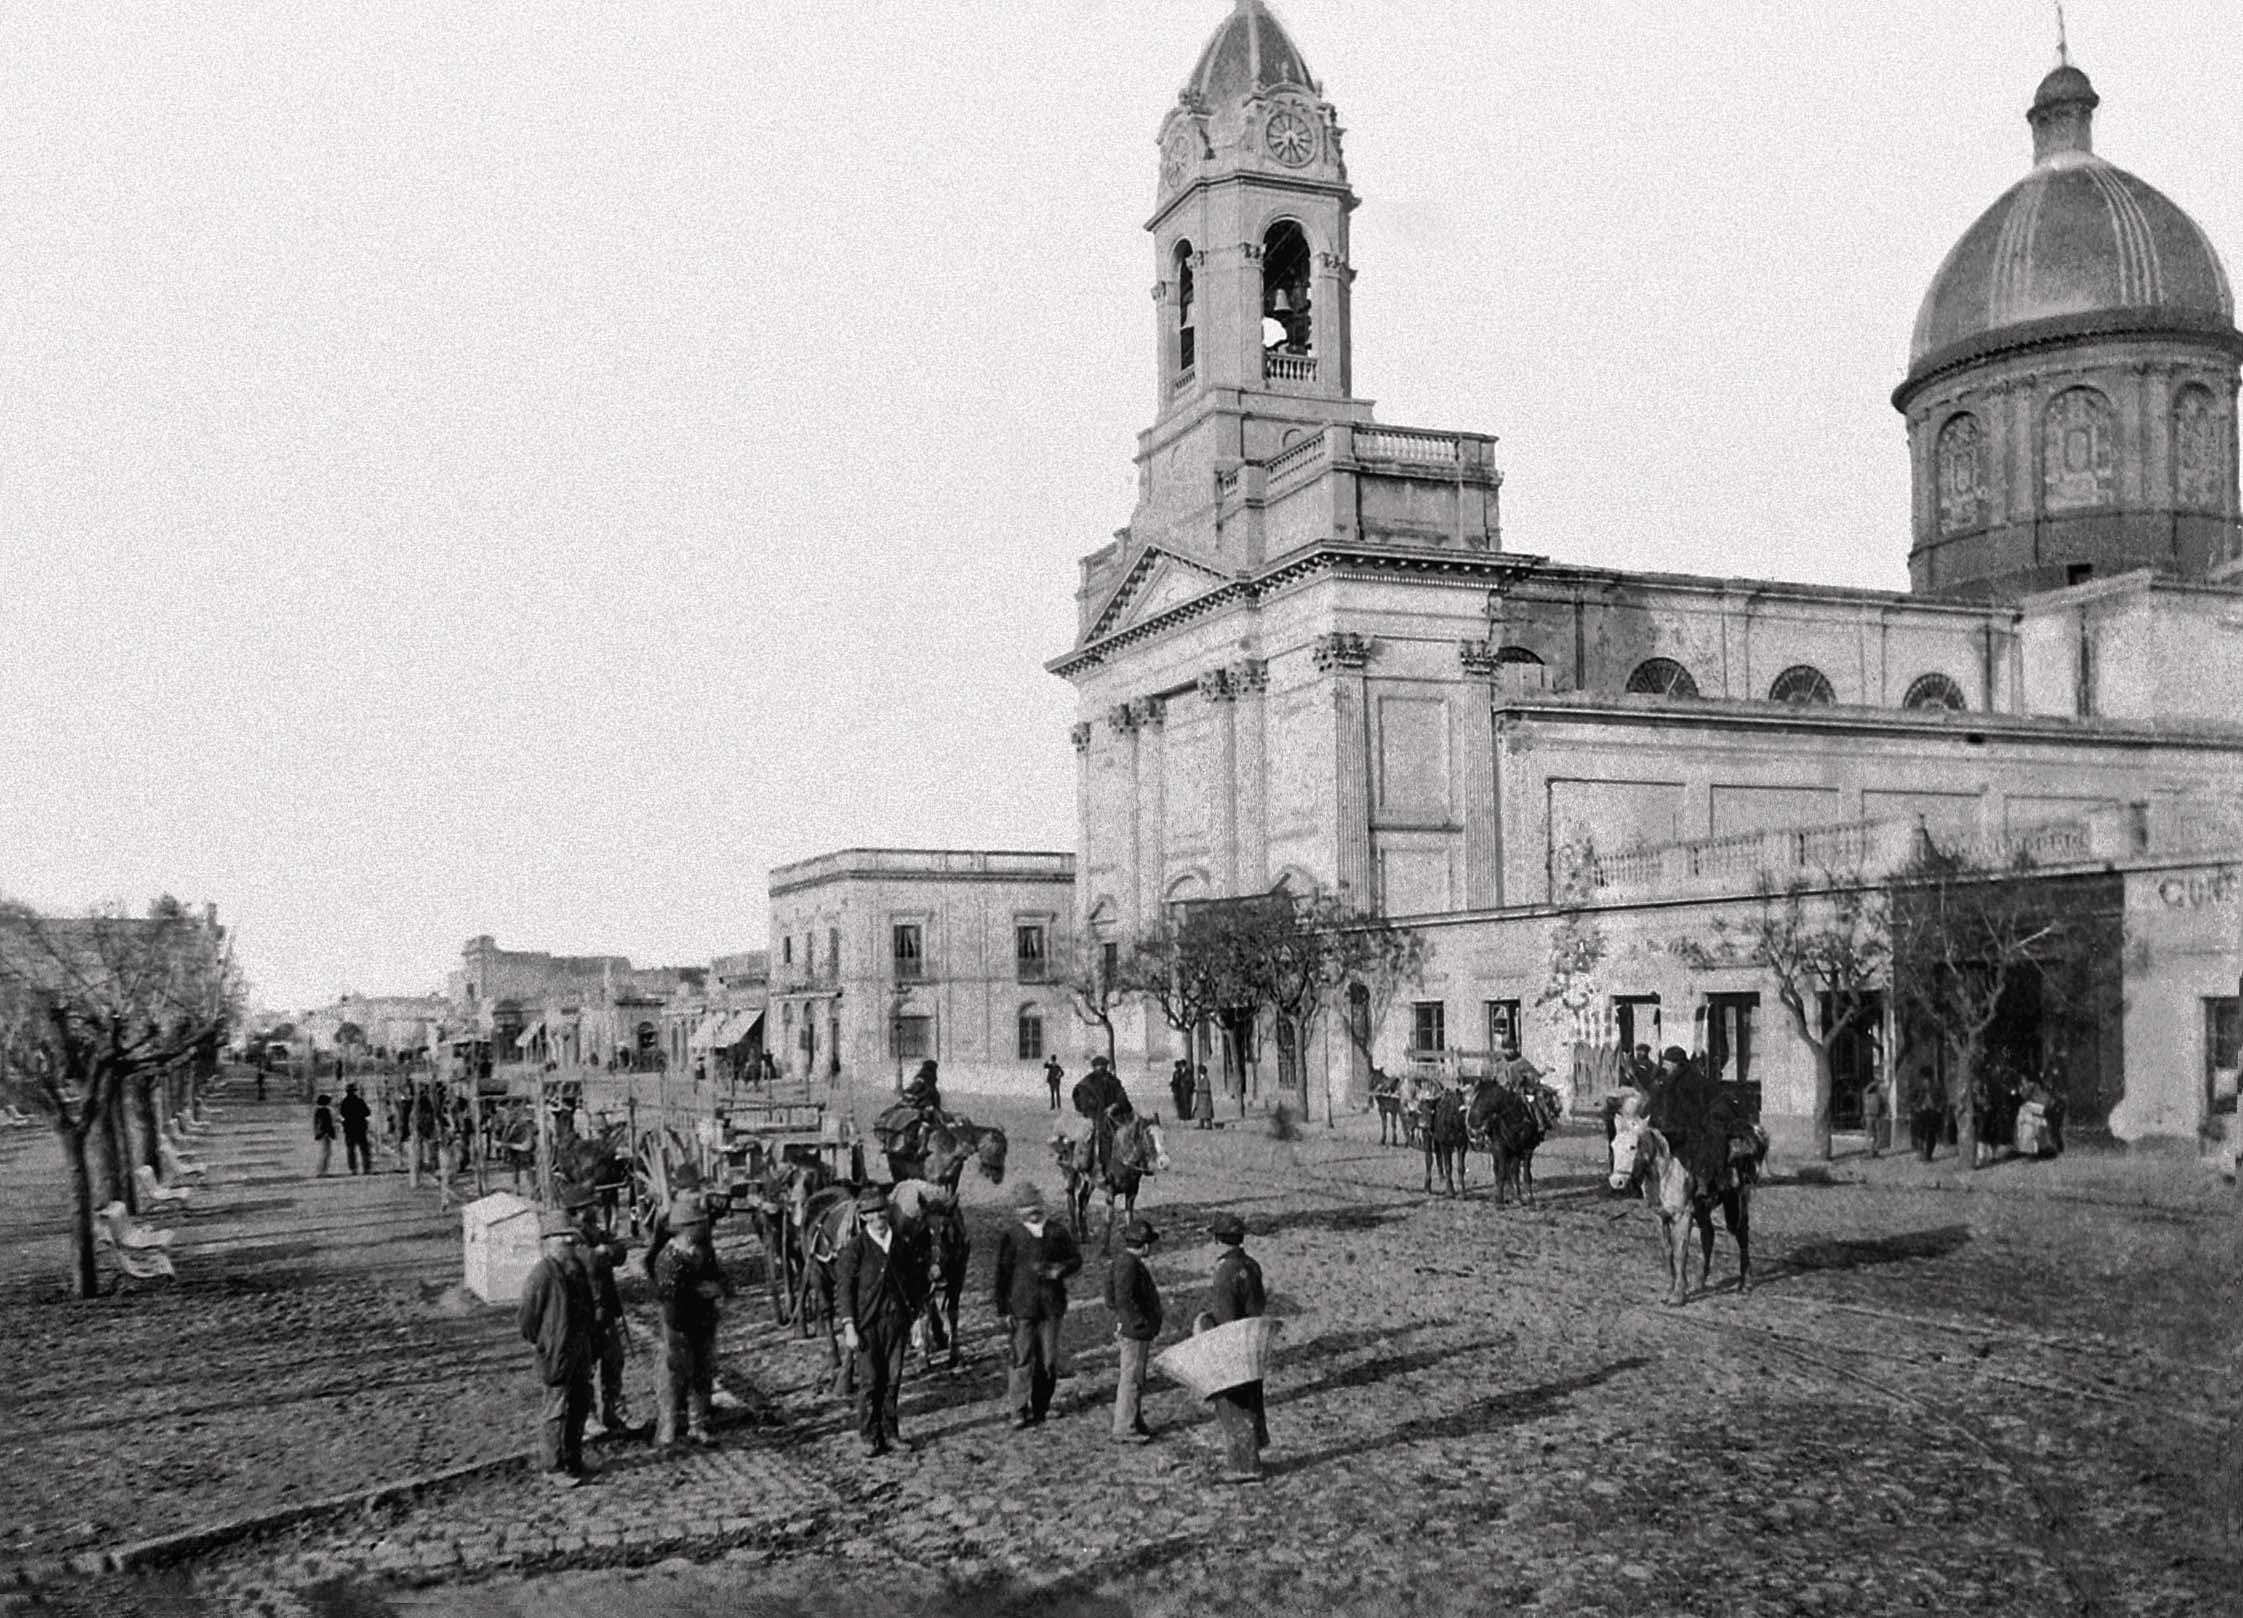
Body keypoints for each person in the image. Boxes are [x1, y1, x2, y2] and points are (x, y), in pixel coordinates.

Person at [835, 1186, 927, 1458]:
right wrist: (849, 1326)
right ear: (863, 1218)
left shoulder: (900, 1245)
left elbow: (915, 1281)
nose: (878, 1218)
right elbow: (844, 1291)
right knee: (870, 1381)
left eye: (882, 1212)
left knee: (893, 1379)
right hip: (866, 1326)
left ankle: (891, 1433)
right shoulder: (855, 1249)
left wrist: (914, 1315)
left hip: (896, 1322)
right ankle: (869, 1435)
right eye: (872, 1214)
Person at [516, 1209, 597, 1487]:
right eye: (564, 1241)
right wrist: (546, 1343)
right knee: (555, 1411)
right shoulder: (542, 1275)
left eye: (572, 1241)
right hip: (556, 1354)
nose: (570, 1246)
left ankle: (573, 1458)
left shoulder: (577, 1271)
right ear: (549, 1242)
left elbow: (588, 1308)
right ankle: (552, 1466)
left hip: (580, 1349)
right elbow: (527, 1321)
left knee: (579, 1406)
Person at [992, 1183, 1080, 1429]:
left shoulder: (1057, 1232)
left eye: (1035, 1207)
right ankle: (1018, 1409)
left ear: (1042, 1208)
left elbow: (1075, 1259)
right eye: (1026, 1208)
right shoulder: (1012, 1236)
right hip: (1022, 1308)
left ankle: (1042, 1405)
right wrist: (1003, 1309)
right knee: (1021, 1357)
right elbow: (1002, 1275)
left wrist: (1061, 1269)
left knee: (1049, 1359)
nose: (1032, 1212)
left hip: (1051, 1306)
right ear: (1019, 1211)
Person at [651, 1191, 727, 1448]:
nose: (704, 1228)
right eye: (698, 1224)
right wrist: (698, 1291)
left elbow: (721, 1278)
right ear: (684, 1229)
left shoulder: (704, 1252)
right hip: (678, 1326)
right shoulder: (667, 1259)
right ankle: (668, 1427)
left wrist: (719, 1288)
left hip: (704, 1323)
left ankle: (698, 1424)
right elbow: (670, 1298)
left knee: (702, 1374)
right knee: (673, 1376)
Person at [1204, 1211, 1268, 1482]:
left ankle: (1244, 1466)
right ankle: (1253, 1456)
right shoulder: (1251, 1265)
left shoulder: (1224, 1271)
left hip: (1233, 1341)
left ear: (1219, 1240)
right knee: (1251, 1398)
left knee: (1233, 1404)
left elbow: (1225, 1315)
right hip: (1253, 1338)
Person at [569, 1190, 636, 1440]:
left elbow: (620, 1251)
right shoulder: (571, 1235)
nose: (595, 1208)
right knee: (585, 1367)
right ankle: (587, 1418)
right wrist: (600, 1253)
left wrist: (604, 1250)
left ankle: (612, 1412)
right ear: (576, 1210)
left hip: (605, 1308)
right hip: (583, 1313)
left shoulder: (595, 1231)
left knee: (613, 1361)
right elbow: (589, 1263)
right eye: (589, 1205)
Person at [1107, 1216, 1164, 1444]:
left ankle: (1134, 1421)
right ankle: (1125, 1428)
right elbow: (1123, 1298)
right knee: (1132, 1379)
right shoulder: (1130, 1265)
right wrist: (1139, 1322)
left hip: (1131, 1329)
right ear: (1146, 1245)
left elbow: (1110, 1297)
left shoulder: (1121, 1261)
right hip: (1135, 1332)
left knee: (1134, 1377)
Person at [338, 1081, 372, 1176]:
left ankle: (353, 1168)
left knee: (350, 1149)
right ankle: (366, 1168)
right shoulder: (359, 1101)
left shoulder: (344, 1102)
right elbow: (367, 1112)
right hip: (360, 1127)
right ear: (355, 1091)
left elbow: (342, 1114)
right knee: (364, 1148)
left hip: (349, 1128)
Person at [1860, 1075, 1888, 1160]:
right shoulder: (1874, 1095)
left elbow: (1883, 1105)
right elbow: (1884, 1105)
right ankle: (1872, 1152)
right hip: (1873, 1117)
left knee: (1873, 1135)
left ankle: (1873, 1152)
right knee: (1873, 1135)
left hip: (1872, 1116)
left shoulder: (1867, 1095)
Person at [311, 1093, 337, 1177]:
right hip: (325, 1134)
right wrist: (331, 1133)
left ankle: (321, 1171)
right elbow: (327, 1124)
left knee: (324, 1152)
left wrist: (317, 1133)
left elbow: (316, 1124)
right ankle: (322, 1171)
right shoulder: (325, 1111)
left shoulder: (317, 1111)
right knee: (326, 1152)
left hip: (321, 1134)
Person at [1192, 1062, 1214, 1130]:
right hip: (1201, 1098)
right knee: (1201, 1112)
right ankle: (1201, 1125)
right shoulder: (1201, 1078)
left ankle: (1209, 1125)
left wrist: (1198, 1090)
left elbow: (1206, 1088)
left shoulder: (1206, 1079)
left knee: (1206, 1113)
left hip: (1205, 1098)